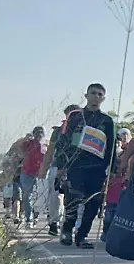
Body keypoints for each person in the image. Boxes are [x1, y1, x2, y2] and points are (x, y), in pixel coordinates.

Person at [53, 84, 116, 248]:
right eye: (93, 93)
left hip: (97, 168)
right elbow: (63, 142)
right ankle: (67, 230)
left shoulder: (107, 121)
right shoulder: (75, 117)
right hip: (76, 166)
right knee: (73, 199)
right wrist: (61, 166)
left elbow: (111, 147)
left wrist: (112, 169)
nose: (96, 96)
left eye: (100, 94)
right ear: (86, 95)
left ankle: (82, 236)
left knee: (93, 203)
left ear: (103, 98)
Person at [38, 105, 81, 236]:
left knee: (75, 198)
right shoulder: (58, 132)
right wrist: (43, 169)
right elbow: (50, 151)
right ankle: (53, 222)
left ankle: (71, 225)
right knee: (55, 196)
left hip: (77, 168)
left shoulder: (84, 130)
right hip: (58, 166)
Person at [11, 127, 46, 225]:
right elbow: (17, 146)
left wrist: (43, 171)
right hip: (27, 172)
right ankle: (29, 218)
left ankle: (36, 216)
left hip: (40, 174)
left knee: (39, 197)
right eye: (37, 133)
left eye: (41, 133)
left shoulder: (45, 145)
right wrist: (24, 153)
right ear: (34, 134)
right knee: (27, 196)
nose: (39, 135)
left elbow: (48, 158)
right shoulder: (28, 143)